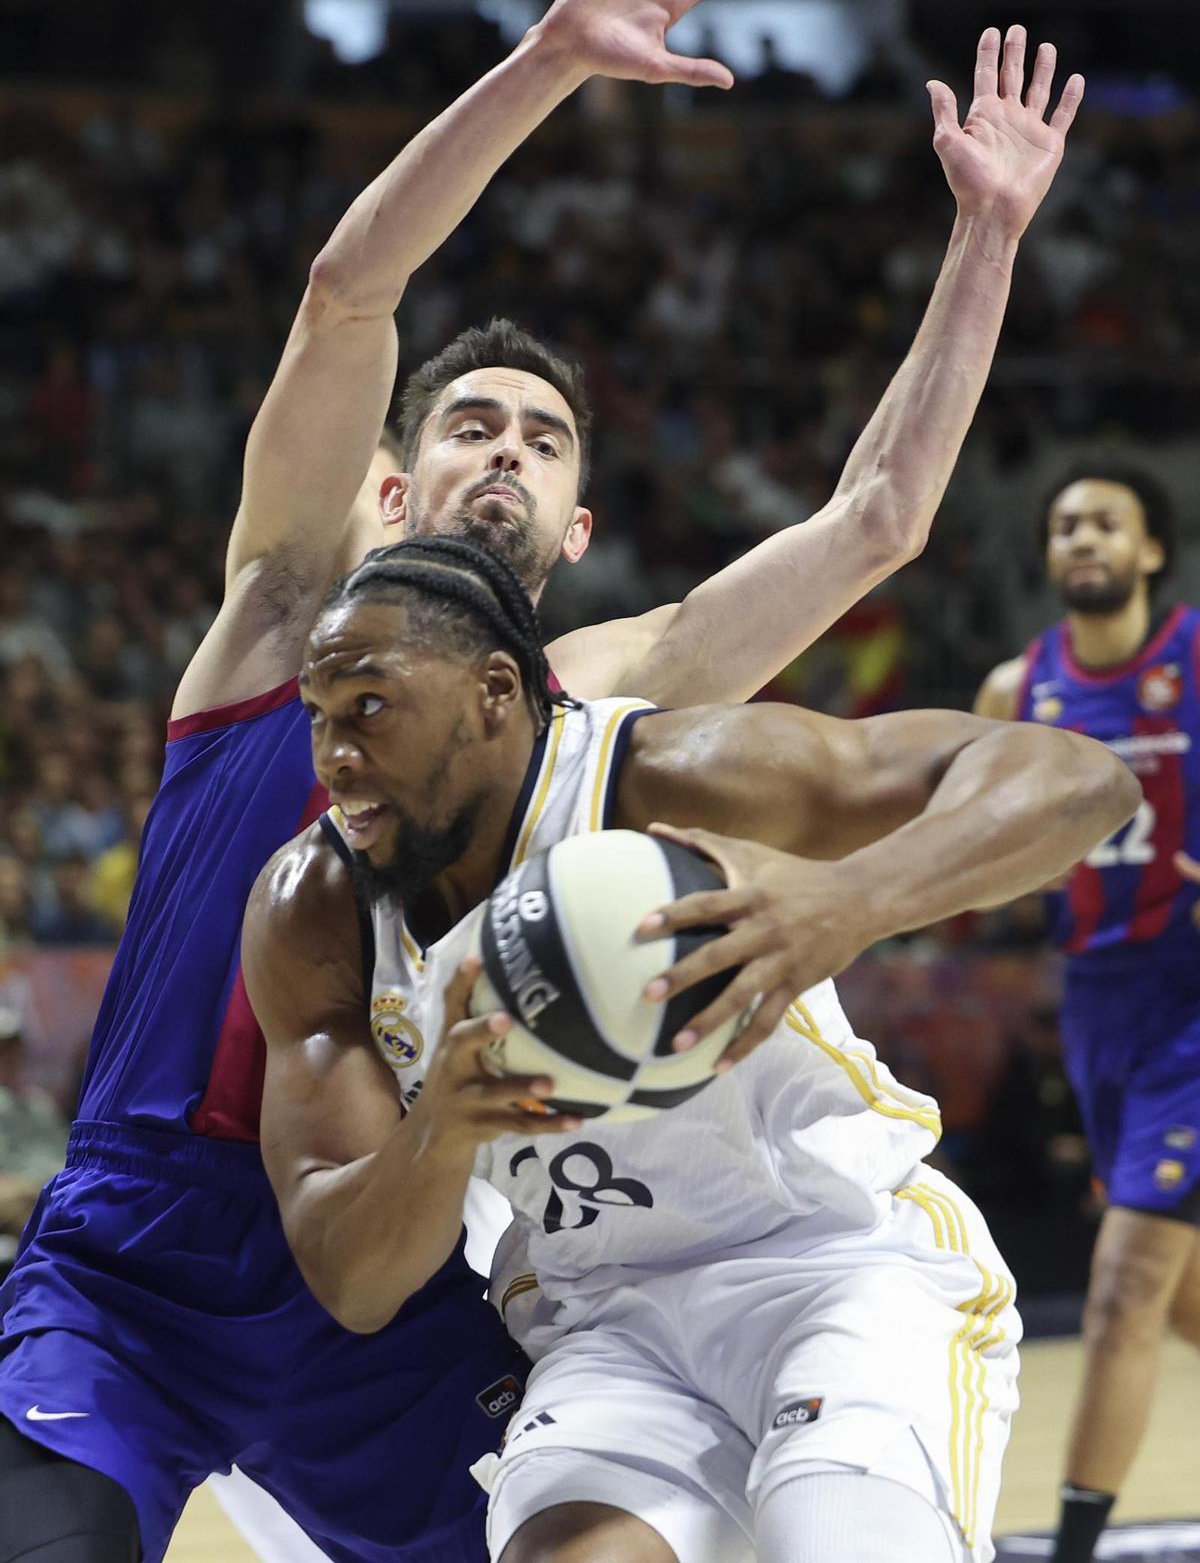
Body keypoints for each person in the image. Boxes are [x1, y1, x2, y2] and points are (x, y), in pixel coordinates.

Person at [0, 0, 1081, 1562]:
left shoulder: (592, 702)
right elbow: (351, 291)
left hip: (407, 1255)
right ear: (392, 477)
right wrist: (551, 60)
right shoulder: (289, 606)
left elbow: (875, 519)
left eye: (545, 440)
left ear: (574, 537)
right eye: (474, 422)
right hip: (152, 1239)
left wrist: (989, 237)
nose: (505, 449)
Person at [242, 534, 1139, 1563]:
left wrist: (853, 897)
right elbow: (355, 1283)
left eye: (368, 707)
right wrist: (439, 1129)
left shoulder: (664, 777)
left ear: (494, 690)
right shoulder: (314, 908)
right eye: (317, 718)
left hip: (836, 1260)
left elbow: (1080, 778)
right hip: (606, 1319)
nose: (331, 755)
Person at [976, 462, 1200, 1563]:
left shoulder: (1197, 658)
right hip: (1098, 1007)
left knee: (1124, 1285)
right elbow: (980, 865)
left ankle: (1071, 1547)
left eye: (1106, 522)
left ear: (1152, 548)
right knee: (1185, 1296)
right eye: (1065, 525)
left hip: (1194, 999)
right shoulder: (1014, 692)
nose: (1083, 540)